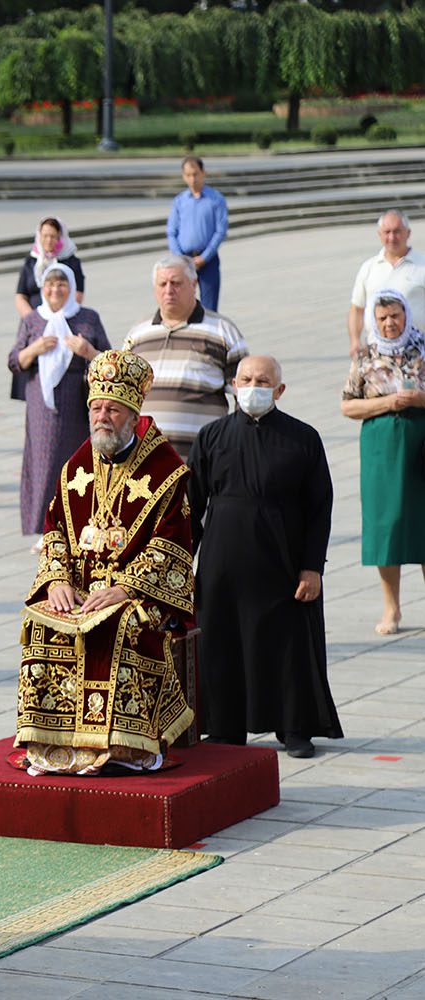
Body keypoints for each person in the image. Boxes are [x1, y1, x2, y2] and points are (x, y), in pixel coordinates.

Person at [16, 349, 195, 776]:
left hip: (137, 595)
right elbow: (55, 529)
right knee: (42, 621)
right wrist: (57, 580)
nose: (102, 418)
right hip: (78, 589)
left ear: (133, 415)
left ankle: (124, 747)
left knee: (118, 627)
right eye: (96, 408)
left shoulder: (165, 471)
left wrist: (125, 589)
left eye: (112, 410)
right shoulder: (76, 467)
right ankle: (51, 743)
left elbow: (172, 545)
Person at [189, 356, 341, 759]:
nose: (253, 387)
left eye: (262, 381)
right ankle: (224, 727)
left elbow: (319, 508)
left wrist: (312, 567)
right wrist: (180, 564)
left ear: (279, 390)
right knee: (221, 644)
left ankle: (294, 727)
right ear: (233, 385)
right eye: (246, 379)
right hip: (222, 564)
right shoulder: (211, 436)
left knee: (287, 646)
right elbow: (190, 506)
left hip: (282, 563)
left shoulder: (303, 438)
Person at [340, 289, 425, 636]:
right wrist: (387, 403)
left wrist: (419, 400)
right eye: (383, 318)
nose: (390, 323)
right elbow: (348, 405)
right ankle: (392, 607)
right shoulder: (365, 356)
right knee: (386, 524)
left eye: (395, 315)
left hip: (420, 440)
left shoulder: (421, 348)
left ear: (406, 315)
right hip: (381, 446)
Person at [7, 263, 109, 538]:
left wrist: (88, 351)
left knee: (78, 463)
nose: (55, 290)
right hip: (42, 403)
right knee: (43, 462)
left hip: (77, 399)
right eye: (50, 284)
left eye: (61, 284)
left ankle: (78, 524)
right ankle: (45, 529)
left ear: (71, 287)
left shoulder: (87, 317)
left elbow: (109, 360)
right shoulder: (33, 319)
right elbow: (15, 361)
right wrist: (35, 348)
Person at [124, 254, 248, 460]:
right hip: (145, 461)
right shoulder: (138, 334)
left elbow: (244, 395)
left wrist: (237, 445)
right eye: (162, 284)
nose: (168, 290)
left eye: (176, 283)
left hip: (201, 459)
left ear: (194, 284)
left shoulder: (222, 331)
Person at [347, 209, 425, 358]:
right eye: (387, 232)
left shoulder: (422, 266)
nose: (392, 237)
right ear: (379, 235)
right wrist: (355, 340)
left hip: (417, 355)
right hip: (376, 355)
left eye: (397, 231)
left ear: (408, 233)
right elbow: (357, 309)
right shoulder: (369, 268)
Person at [165, 155, 227, 309]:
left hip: (207, 260)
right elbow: (172, 231)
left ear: (203, 173)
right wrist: (180, 257)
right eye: (188, 175)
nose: (192, 179)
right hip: (183, 260)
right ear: (183, 176)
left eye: (195, 174)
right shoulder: (180, 201)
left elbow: (220, 231)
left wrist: (204, 257)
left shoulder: (216, 199)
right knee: (182, 305)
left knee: (209, 308)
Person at [14, 216, 86, 318]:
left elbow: (78, 293)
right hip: (33, 319)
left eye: (52, 236)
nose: (48, 240)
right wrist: (32, 319)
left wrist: (60, 317)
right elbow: (20, 295)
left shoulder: (71, 262)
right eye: (45, 236)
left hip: (65, 318)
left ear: (60, 237)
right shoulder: (31, 262)